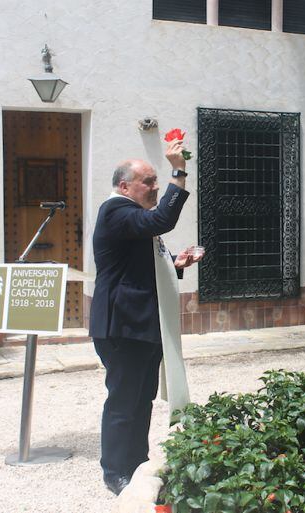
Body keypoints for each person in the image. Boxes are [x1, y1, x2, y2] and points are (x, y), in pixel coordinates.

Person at [89, 140, 202, 495]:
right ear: (124, 187)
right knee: (124, 399)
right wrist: (178, 172)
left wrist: (176, 264)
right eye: (148, 181)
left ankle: (136, 464)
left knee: (142, 398)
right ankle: (115, 472)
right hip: (121, 326)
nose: (155, 187)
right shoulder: (116, 210)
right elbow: (162, 219)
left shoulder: (132, 218)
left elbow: (142, 267)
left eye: (157, 181)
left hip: (141, 325)